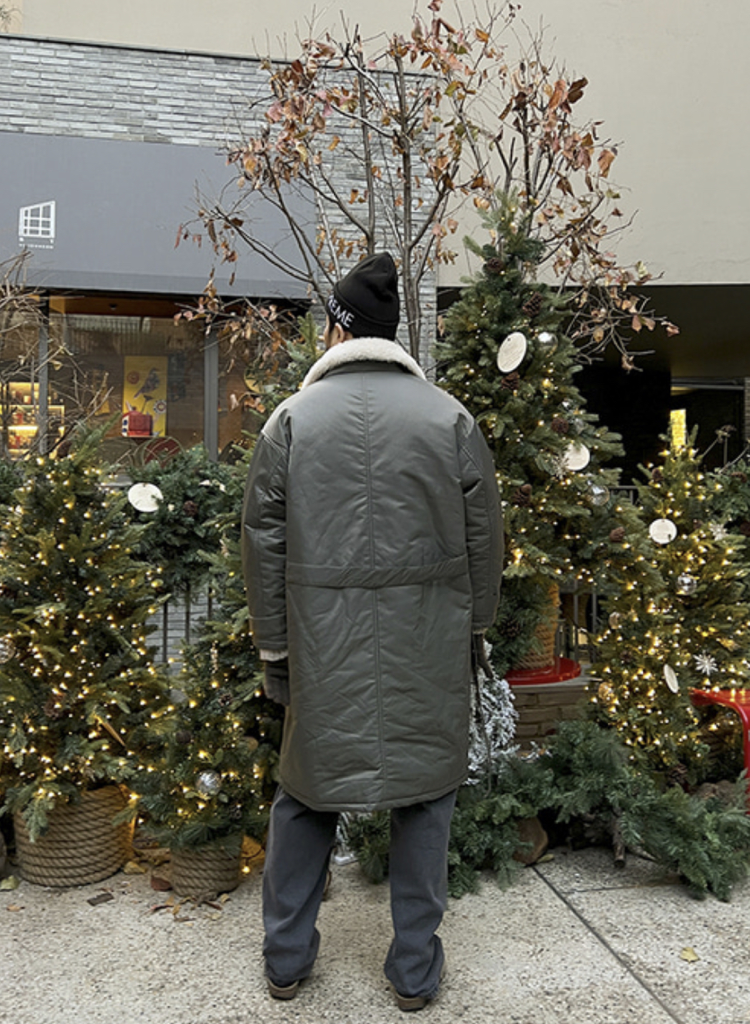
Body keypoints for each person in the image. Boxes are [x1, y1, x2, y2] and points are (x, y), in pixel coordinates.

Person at [241, 252, 502, 1011]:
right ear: (393, 336)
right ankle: (414, 971)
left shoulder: (293, 420)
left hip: (320, 645)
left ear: (336, 329)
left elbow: (262, 542)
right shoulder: (449, 418)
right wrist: (475, 629)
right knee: (425, 798)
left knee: (305, 795)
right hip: (429, 641)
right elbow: (485, 539)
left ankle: (286, 961)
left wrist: (274, 647)